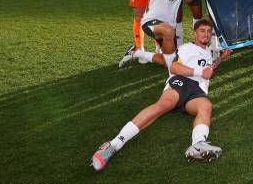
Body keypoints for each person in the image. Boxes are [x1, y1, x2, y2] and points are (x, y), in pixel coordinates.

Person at [91, 20, 231, 171]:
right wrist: (199, 73)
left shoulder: (209, 52)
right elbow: (175, 67)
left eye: (209, 31)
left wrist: (222, 58)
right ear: (194, 34)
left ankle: (198, 145)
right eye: (202, 30)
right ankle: (112, 145)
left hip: (198, 91)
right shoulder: (187, 48)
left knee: (206, 106)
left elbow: (208, 69)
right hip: (182, 81)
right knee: (163, 106)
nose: (206, 34)